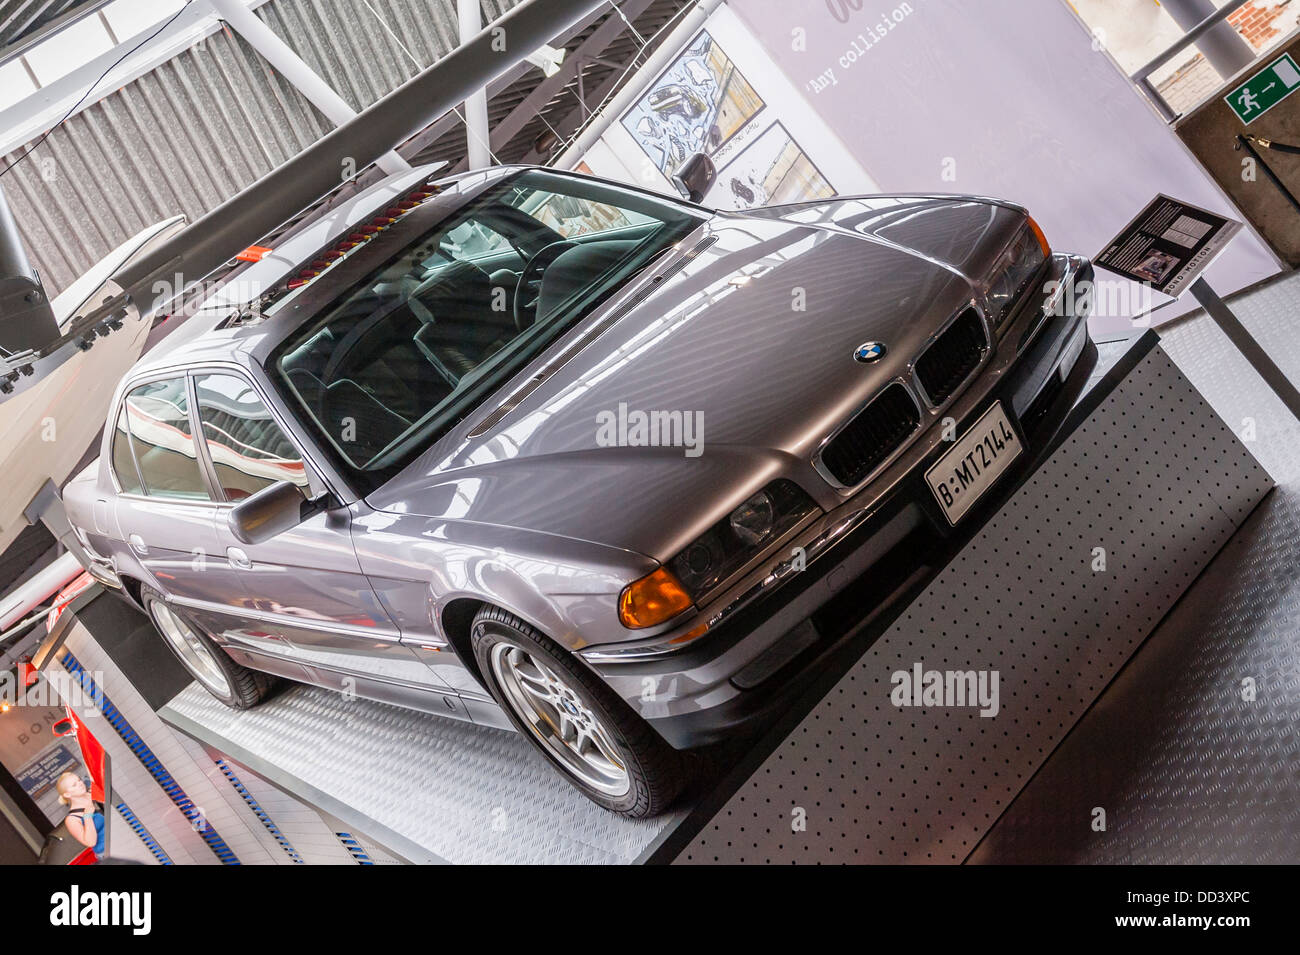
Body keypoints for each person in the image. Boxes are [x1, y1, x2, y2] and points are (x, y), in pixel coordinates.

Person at [56, 772, 104, 861]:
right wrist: (88, 817)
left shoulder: (93, 793)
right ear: (67, 794)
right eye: (74, 785)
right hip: (107, 852)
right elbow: (90, 842)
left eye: (79, 780)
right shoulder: (72, 819)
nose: (80, 783)